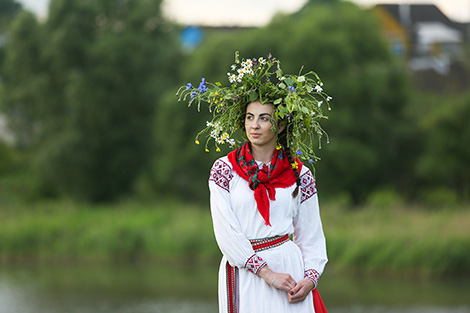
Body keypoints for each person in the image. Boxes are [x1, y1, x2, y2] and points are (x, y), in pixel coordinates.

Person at [177, 52, 331, 313]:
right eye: (250, 117)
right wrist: (266, 273)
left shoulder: (298, 174)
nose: (255, 125)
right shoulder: (224, 170)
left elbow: (311, 235)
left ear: (280, 126)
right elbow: (227, 233)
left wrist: (310, 279)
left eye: (264, 118)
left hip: (290, 272)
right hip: (246, 271)